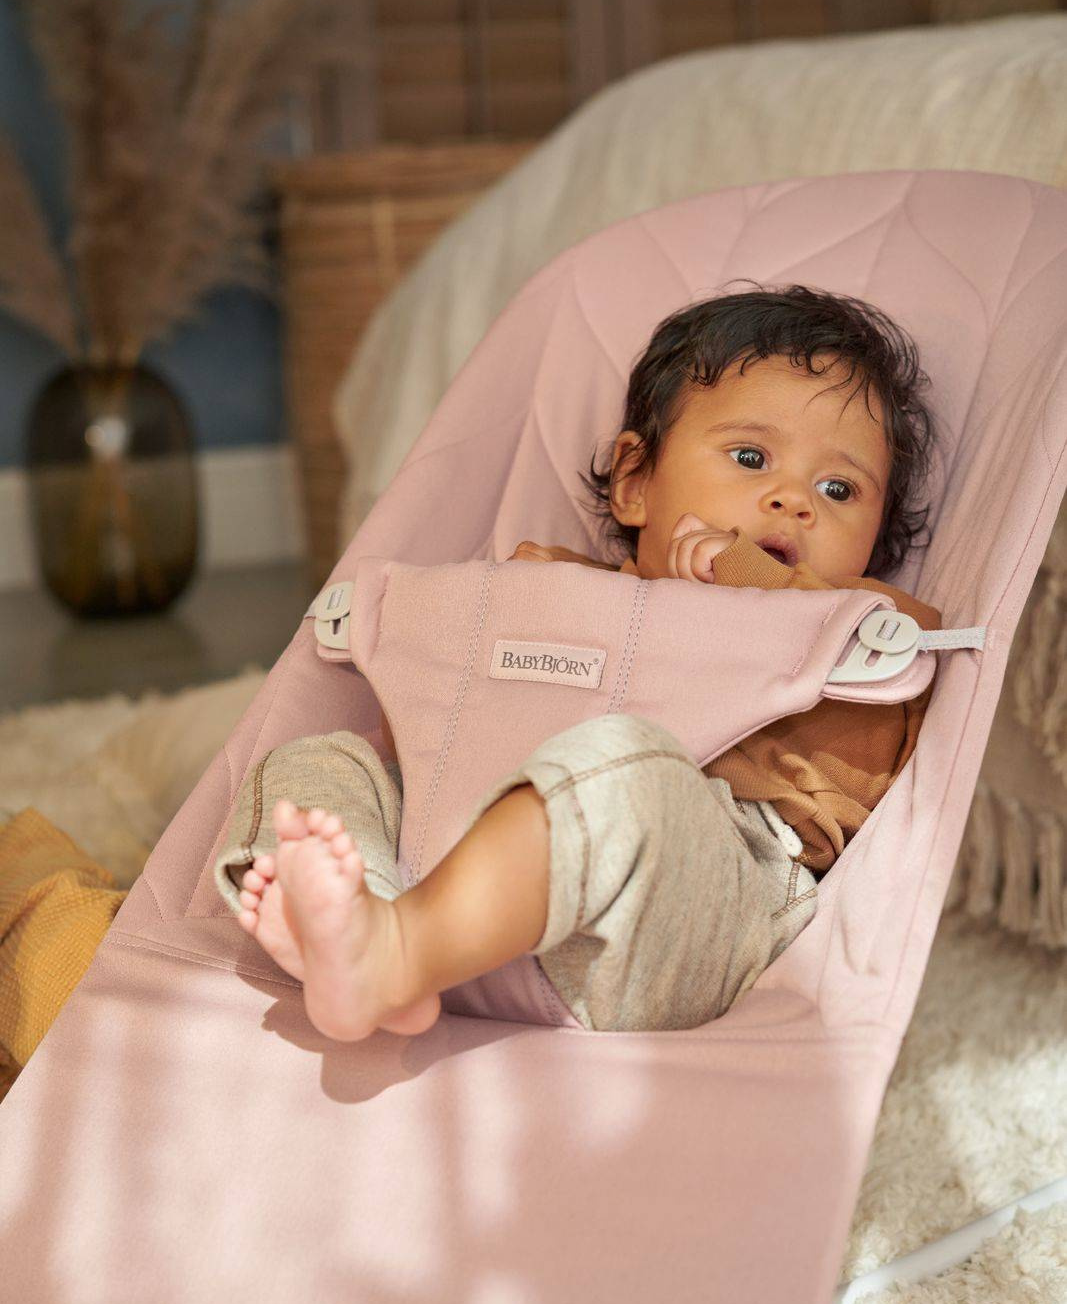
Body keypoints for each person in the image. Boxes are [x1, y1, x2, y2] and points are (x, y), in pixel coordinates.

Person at [215, 283, 943, 1040]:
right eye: (751, 457)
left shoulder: (856, 624)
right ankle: (363, 923)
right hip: (453, 865)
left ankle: (397, 953)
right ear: (635, 483)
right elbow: (436, 720)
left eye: (839, 488)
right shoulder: (563, 589)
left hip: (681, 911)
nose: (794, 500)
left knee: (622, 766)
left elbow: (863, 774)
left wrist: (751, 579)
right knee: (319, 764)